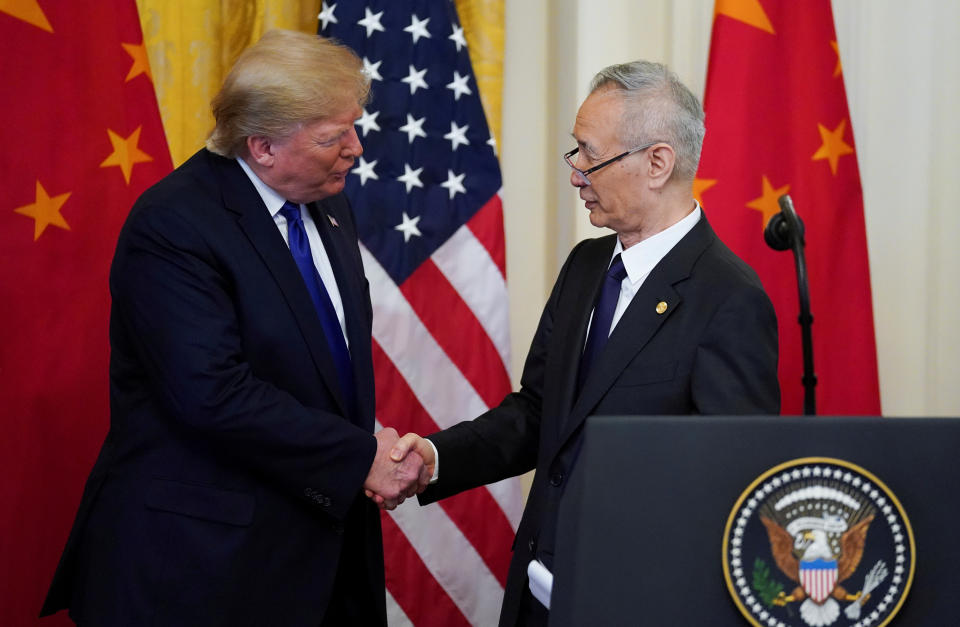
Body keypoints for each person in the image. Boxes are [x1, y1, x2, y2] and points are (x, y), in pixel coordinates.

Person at [40, 30, 429, 626]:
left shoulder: (328, 204)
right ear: (263, 146)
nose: (356, 148)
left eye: (354, 126)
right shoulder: (174, 224)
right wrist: (359, 457)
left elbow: (320, 365)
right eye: (333, 136)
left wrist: (368, 445)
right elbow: (211, 394)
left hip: (318, 550)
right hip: (200, 568)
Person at [383, 60, 780, 626]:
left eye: (590, 154)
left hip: (637, 604)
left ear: (657, 163)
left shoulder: (729, 299)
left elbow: (730, 483)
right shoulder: (586, 265)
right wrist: (436, 456)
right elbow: (540, 412)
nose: (576, 173)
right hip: (538, 596)